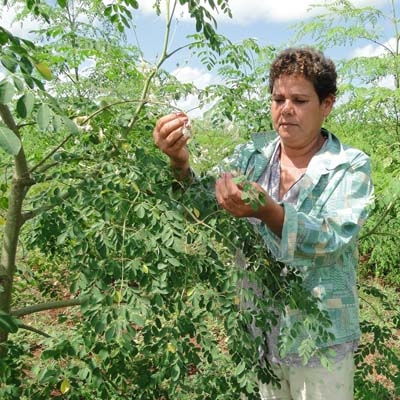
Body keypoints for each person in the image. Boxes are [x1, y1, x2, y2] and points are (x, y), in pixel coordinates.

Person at [153, 47, 374, 400]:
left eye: (300, 100)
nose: (286, 108)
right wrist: (179, 164)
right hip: (261, 330)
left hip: (320, 341)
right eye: (278, 98)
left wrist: (269, 212)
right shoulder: (249, 157)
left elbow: (333, 238)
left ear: (327, 104)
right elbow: (200, 206)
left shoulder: (349, 166)